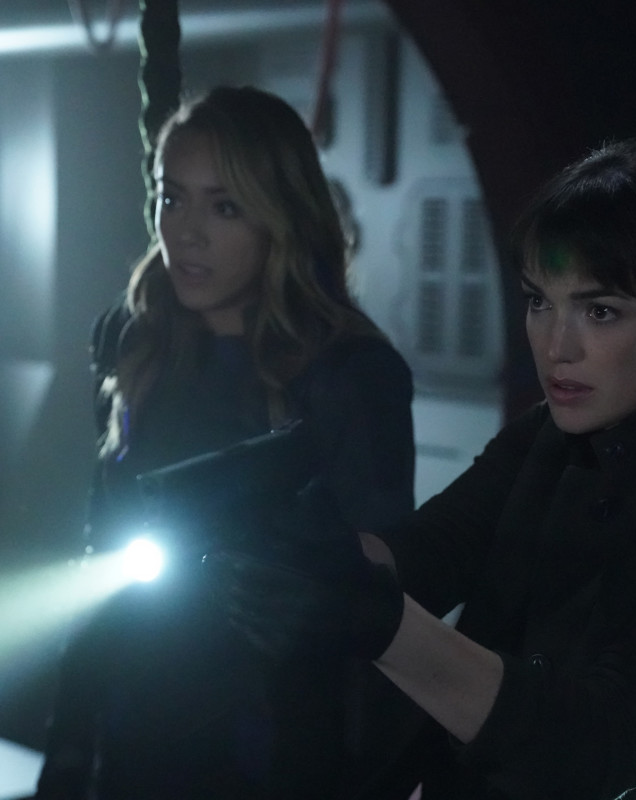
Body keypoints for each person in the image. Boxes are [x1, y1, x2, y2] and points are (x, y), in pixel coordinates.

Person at [209, 140, 636, 798]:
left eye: (600, 311)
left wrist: (380, 624)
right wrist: (290, 542)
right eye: (539, 301)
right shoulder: (545, 437)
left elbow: (602, 743)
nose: (555, 346)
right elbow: (427, 552)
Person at [33, 85, 415, 799]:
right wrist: (69, 747)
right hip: (135, 724)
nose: (186, 232)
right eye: (171, 198)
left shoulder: (350, 377)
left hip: (271, 745)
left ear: (280, 217)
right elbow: (101, 551)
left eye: (225, 207)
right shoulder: (135, 341)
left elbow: (386, 600)